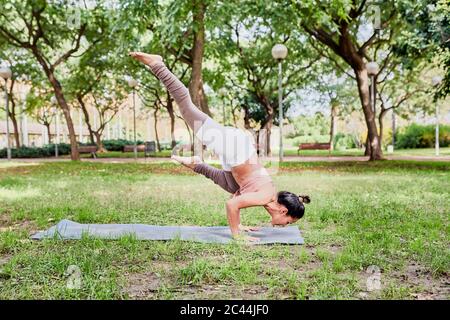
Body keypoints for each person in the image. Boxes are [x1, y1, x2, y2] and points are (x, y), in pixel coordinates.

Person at [129, 52, 310, 242]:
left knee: (231, 185)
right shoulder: (265, 196)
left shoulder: (267, 197)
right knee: (186, 107)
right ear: (283, 210)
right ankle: (158, 65)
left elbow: (236, 196)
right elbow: (232, 205)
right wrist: (237, 235)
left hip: (236, 156)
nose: (285, 225)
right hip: (235, 146)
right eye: (288, 221)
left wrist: (238, 224)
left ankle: (197, 164)